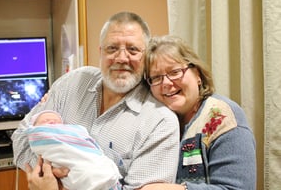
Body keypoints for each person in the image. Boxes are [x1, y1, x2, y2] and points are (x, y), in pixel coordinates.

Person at [11, 12, 180, 190]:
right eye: (112, 48)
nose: (121, 58)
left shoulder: (160, 122)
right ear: (100, 52)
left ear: (146, 57)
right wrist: (51, 176)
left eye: (133, 50)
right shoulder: (71, 83)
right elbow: (20, 140)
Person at [141, 35, 256, 189]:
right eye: (156, 77)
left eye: (175, 72)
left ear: (198, 75)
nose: (166, 83)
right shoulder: (154, 121)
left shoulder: (223, 117)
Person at [26, 110, 121, 190]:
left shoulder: (73, 131)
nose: (52, 122)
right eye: (45, 121)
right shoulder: (41, 136)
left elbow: (88, 143)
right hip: (74, 170)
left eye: (57, 121)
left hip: (90, 160)